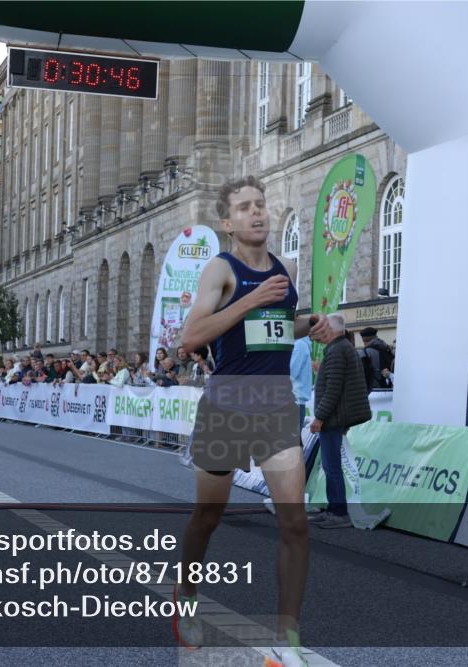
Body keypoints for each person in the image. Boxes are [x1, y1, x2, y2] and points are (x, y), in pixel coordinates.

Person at [176, 175, 330, 666]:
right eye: (244, 208)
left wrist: (320, 324)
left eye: (260, 205)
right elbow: (191, 337)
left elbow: (282, 328)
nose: (256, 213)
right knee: (208, 517)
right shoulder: (220, 269)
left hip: (275, 405)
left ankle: (287, 640)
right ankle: (186, 598)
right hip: (226, 404)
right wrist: (251, 298)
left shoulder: (284, 267)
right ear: (227, 222)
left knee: (296, 524)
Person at [309, 313, 374, 529]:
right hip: (337, 418)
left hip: (332, 419)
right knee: (331, 466)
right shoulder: (342, 348)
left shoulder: (337, 350)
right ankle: (334, 509)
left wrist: (319, 417)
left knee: (332, 466)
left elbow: (333, 390)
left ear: (332, 329)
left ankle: (338, 513)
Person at [290, 337, 312, 433]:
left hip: (294, 402)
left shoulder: (299, 345)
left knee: (291, 444)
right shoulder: (301, 344)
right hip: (296, 402)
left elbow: (291, 373)